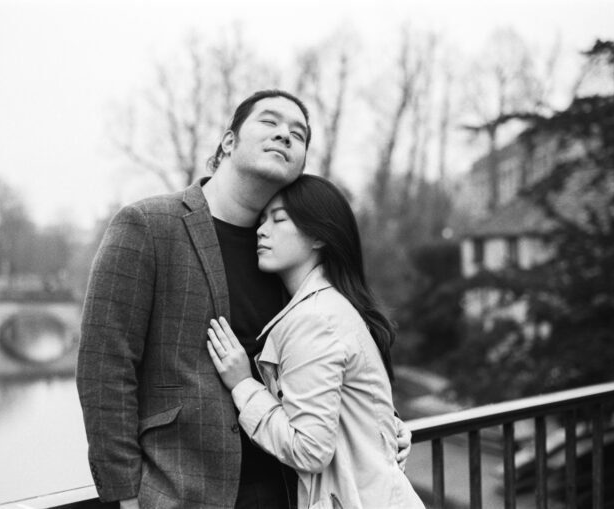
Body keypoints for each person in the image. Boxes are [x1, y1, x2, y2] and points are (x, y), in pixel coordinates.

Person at [76, 89, 412, 509]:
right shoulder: (147, 226)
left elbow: (326, 356)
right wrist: (124, 496)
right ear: (228, 141)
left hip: (292, 491)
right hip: (181, 493)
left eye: (298, 134)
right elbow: (104, 368)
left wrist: (382, 424)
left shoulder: (287, 249)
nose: (285, 135)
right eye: (270, 121)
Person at [207, 175, 425, 509]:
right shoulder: (334, 305)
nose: (261, 230)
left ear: (319, 236)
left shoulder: (314, 319)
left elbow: (309, 450)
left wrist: (243, 385)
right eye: (262, 220)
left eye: (279, 219)